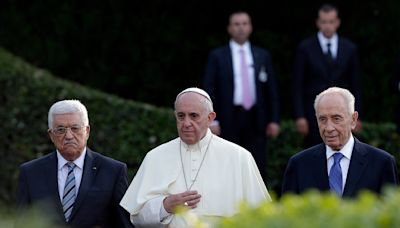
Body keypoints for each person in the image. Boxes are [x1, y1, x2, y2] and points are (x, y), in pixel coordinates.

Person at [120, 87, 271, 227]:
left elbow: (261, 216)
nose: (186, 123)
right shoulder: (155, 157)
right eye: (181, 116)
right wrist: (164, 207)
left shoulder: (239, 157)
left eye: (193, 116)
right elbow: (136, 218)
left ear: (210, 118)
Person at [16, 100, 133, 227]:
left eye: (75, 128)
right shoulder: (31, 172)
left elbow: (124, 224)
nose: (69, 136)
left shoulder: (113, 172)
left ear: (87, 131)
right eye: (60, 130)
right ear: (51, 135)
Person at [203, 11, 280, 179]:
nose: (241, 28)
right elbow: (210, 88)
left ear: (250, 27)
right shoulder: (218, 56)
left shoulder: (262, 55)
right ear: (229, 28)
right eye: (236, 24)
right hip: (228, 118)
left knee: (258, 164)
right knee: (228, 164)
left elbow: (271, 90)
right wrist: (212, 120)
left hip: (256, 118)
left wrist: (274, 119)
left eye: (244, 24)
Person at [282, 87, 398, 198]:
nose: (329, 128)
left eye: (336, 118)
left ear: (353, 120)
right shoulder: (299, 165)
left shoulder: (381, 163)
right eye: (322, 119)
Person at [293, 4, 362, 148]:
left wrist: (358, 113)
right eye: (324, 22)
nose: (327, 26)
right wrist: (300, 116)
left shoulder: (349, 48)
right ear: (318, 23)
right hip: (313, 113)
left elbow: (356, 84)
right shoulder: (305, 48)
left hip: (342, 112)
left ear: (337, 22)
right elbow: (298, 85)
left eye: (331, 22)